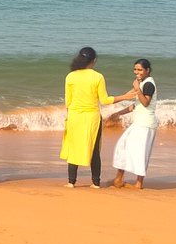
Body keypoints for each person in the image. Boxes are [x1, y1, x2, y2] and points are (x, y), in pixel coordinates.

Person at [61, 46, 130, 188]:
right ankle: (95, 182)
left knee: (74, 148)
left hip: (74, 116)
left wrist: (70, 117)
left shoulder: (70, 76)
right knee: (94, 150)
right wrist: (125, 96)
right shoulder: (97, 76)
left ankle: (71, 182)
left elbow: (68, 101)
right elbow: (104, 100)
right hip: (92, 118)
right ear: (94, 60)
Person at [107, 59, 158, 189]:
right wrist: (118, 114)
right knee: (123, 146)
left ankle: (138, 184)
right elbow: (136, 105)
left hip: (145, 124)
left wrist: (137, 89)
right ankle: (119, 179)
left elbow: (146, 102)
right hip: (140, 123)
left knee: (140, 153)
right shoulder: (142, 83)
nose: (137, 72)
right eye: (135, 69)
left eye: (140, 70)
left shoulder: (148, 84)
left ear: (147, 70)